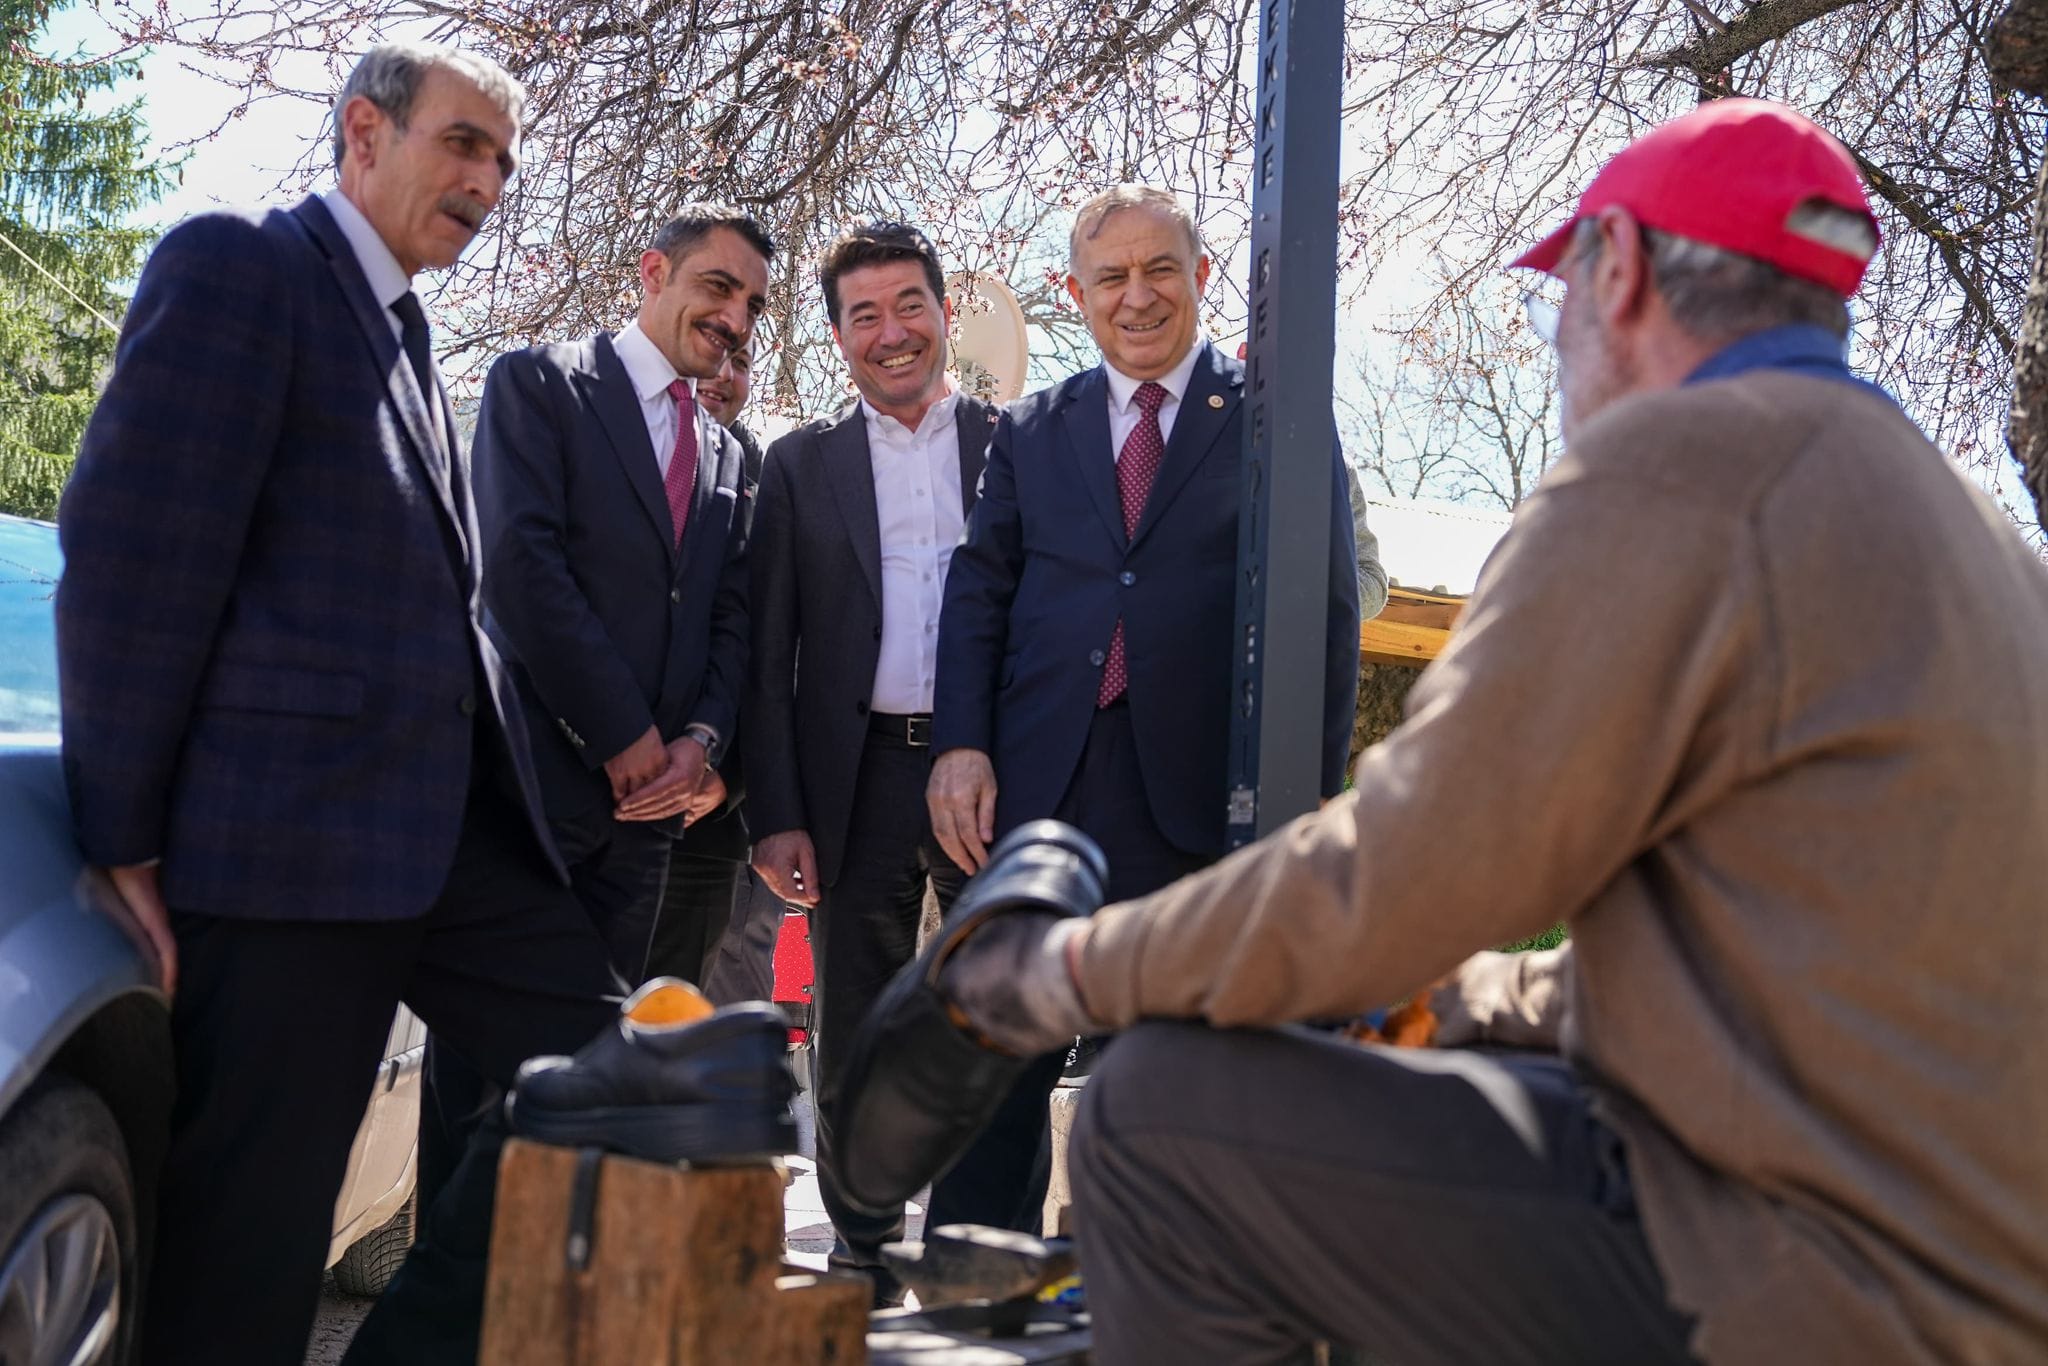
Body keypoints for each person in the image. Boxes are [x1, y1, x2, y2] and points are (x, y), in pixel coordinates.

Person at [933, 100, 2048, 1364]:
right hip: (1975, 1260)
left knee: (1151, 1110)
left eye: (1557, 297)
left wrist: (1068, 970)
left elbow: (1407, 871)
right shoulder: (1969, 527)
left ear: (1618, 273)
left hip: (1795, 1264)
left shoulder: (1670, 471)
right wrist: (1461, 1001)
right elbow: (1763, 959)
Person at [53, 43, 621, 1364]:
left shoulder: (410, 336)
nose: (487, 182)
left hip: (446, 844)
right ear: (364, 132)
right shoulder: (241, 270)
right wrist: (121, 839)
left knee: (625, 1079)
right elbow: (136, 557)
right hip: (283, 857)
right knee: (246, 1260)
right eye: (463, 144)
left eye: (504, 162)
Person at [923, 184, 1370, 1235]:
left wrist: (1306, 793)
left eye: (1160, 269)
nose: (1137, 296)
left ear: (1201, 276)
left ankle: (1139, 1297)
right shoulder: (1032, 430)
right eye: (1111, 277)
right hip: (1039, 795)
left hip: (1198, 803)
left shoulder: (1273, 415)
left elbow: (1328, 607)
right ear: (1075, 293)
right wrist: (961, 746)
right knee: (994, 1071)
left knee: (1163, 1079)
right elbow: (979, 594)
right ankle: (967, 1289)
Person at [746, 221, 1002, 1299]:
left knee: (998, 1009)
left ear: (945, 313)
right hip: (854, 779)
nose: (891, 332)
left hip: (990, 774)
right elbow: (769, 654)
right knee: (854, 1020)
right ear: (839, 335)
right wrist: (776, 813)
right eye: (864, 315)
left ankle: (979, 1249)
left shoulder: (1016, 443)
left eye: (909, 306)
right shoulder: (799, 466)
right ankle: (860, 1252)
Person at [650, 340, 787, 1002]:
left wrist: (727, 778)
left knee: (683, 1028)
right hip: (584, 807)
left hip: (709, 825)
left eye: (743, 362)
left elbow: (778, 650)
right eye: (712, 352)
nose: (722, 375)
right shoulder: (600, 440)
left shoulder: (774, 481)